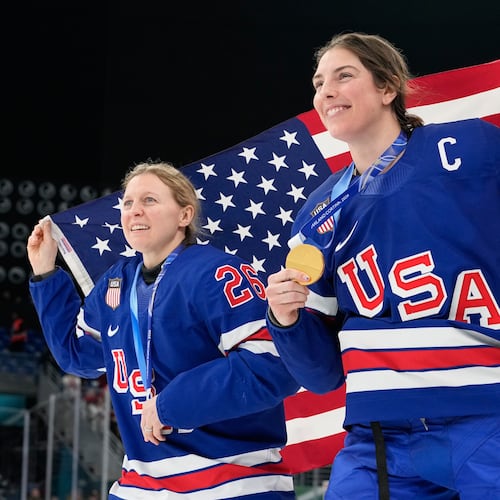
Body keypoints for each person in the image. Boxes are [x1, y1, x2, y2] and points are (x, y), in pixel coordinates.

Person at [265, 32, 500, 500]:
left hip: (486, 415)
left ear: (388, 87)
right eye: (318, 82)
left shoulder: (470, 146)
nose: (325, 91)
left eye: (343, 76)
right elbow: (322, 376)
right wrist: (285, 319)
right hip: (377, 442)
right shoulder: (316, 214)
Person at [27, 161, 300, 499]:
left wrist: (171, 404)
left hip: (231, 482)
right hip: (140, 485)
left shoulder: (217, 274)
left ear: (185, 215)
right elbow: (76, 356)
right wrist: (45, 274)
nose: (134, 211)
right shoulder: (116, 283)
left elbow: (273, 366)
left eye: (150, 200)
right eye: (127, 203)